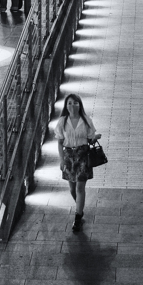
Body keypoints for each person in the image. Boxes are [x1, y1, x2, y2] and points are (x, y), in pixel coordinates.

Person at [55, 94, 100, 233]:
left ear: (80, 105)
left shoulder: (86, 120)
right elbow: (60, 142)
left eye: (75, 103)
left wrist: (94, 138)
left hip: (83, 155)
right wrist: (62, 159)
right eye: (69, 103)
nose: (72, 106)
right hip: (69, 156)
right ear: (66, 106)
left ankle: (77, 218)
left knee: (80, 187)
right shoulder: (62, 121)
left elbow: (90, 139)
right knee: (72, 189)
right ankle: (79, 209)